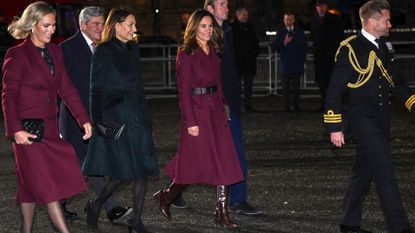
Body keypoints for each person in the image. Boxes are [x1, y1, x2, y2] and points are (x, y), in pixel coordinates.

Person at [1, 2, 92, 233]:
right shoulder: (17, 54)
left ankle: (26, 230)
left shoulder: (55, 51)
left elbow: (66, 88)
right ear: (32, 25)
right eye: (46, 25)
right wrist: (15, 130)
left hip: (50, 130)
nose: (52, 29)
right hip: (27, 132)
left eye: (53, 24)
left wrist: (83, 119)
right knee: (49, 186)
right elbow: (8, 96)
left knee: (29, 187)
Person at [324, 1, 415, 232]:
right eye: (387, 20)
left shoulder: (384, 46)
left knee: (363, 172)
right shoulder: (351, 48)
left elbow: (397, 82)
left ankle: (349, 222)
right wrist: (334, 126)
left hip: (381, 119)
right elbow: (334, 88)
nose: (390, 24)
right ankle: (400, 228)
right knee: (386, 173)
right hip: (363, 121)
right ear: (373, 21)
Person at [154, 9, 243, 228]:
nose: (207, 30)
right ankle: (167, 196)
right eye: (203, 26)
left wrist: (224, 105)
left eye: (210, 26)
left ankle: (221, 212)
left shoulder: (214, 50)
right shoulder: (186, 53)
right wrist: (191, 121)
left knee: (226, 160)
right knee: (193, 164)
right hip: (197, 112)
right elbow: (183, 92)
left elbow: (218, 82)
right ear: (194, 27)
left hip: (215, 110)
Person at [82, 7, 159, 232]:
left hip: (137, 114)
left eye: (134, 25)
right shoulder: (104, 50)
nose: (135, 29)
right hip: (118, 116)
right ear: (117, 26)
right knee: (122, 173)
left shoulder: (133, 48)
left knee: (142, 170)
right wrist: (99, 122)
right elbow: (95, 89)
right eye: (130, 25)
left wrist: (147, 117)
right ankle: (96, 205)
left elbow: (138, 85)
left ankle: (135, 221)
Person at [58, 6, 132, 222]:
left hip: (100, 115)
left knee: (80, 165)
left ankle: (60, 202)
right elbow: (59, 86)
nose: (101, 28)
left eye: (102, 23)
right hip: (75, 118)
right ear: (83, 25)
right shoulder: (67, 48)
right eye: (96, 24)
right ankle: (110, 207)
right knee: (88, 163)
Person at [205, 0, 262, 215]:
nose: (226, 8)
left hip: (229, 100)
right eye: (221, 4)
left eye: (226, 4)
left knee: (236, 151)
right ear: (209, 9)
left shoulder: (228, 30)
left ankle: (238, 199)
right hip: (214, 102)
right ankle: (174, 191)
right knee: (201, 153)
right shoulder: (206, 34)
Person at [310, 0, 343, 109]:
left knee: (332, 81)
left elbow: (339, 36)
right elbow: (314, 37)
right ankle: (325, 102)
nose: (319, 8)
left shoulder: (334, 18)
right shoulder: (313, 19)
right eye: (318, 6)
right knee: (322, 81)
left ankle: (333, 104)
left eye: (321, 6)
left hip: (331, 55)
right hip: (319, 56)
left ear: (326, 6)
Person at [273, 12, 307, 112]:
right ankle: (286, 106)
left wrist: (302, 61)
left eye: (290, 19)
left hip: (297, 64)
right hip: (285, 65)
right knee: (285, 87)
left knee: (296, 87)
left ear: (294, 20)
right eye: (286, 20)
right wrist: (284, 42)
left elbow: (304, 47)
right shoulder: (280, 32)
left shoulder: (299, 32)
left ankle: (297, 105)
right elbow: (275, 46)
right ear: (284, 20)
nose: (288, 22)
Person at [231, 6, 259, 112]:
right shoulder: (231, 28)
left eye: (246, 14)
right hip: (237, 63)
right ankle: (236, 106)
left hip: (249, 63)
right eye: (243, 14)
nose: (245, 17)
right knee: (236, 88)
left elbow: (255, 42)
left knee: (248, 87)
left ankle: (248, 106)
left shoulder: (251, 26)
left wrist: (255, 53)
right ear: (237, 15)